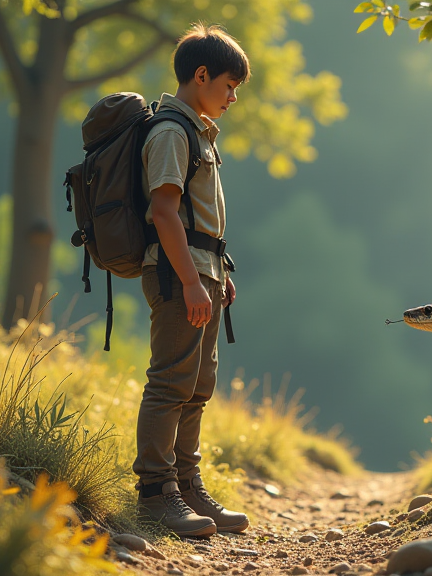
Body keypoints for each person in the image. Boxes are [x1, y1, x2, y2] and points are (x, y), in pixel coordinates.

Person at [133, 23, 249, 537]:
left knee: (198, 387)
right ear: (200, 75)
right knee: (170, 384)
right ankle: (157, 494)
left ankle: (188, 486)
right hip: (179, 277)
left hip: (201, 275)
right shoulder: (171, 132)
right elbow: (164, 213)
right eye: (227, 85)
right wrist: (189, 282)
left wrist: (215, 276)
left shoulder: (197, 131)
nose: (232, 97)